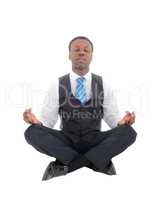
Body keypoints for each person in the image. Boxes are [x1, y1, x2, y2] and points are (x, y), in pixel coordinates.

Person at [23, 36, 137, 181]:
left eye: (86, 50)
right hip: (66, 141)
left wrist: (122, 123)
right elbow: (48, 122)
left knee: (128, 132)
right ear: (69, 55)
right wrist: (36, 123)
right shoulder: (56, 85)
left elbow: (112, 119)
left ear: (91, 56)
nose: (81, 53)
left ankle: (66, 166)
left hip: (95, 140)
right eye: (76, 50)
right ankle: (97, 162)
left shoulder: (104, 85)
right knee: (32, 132)